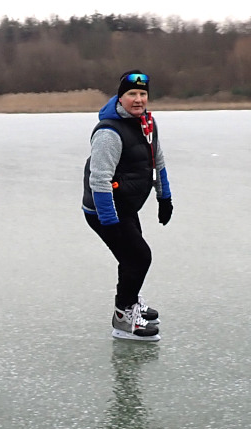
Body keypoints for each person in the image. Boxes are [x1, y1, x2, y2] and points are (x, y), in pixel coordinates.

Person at [82, 70, 173, 341]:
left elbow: (158, 162)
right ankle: (123, 318)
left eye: (142, 94)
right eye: (131, 94)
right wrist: (110, 222)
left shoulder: (147, 123)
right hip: (104, 210)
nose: (138, 99)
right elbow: (99, 180)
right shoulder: (109, 132)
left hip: (127, 205)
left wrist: (164, 197)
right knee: (139, 257)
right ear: (120, 97)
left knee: (131, 258)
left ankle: (131, 301)